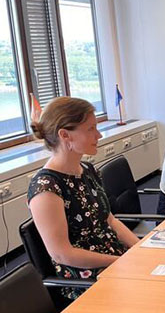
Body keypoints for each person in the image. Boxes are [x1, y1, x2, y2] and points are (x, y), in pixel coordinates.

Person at [27, 97, 139, 300]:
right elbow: (62, 254)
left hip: (115, 259)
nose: (99, 134)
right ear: (65, 135)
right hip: (86, 278)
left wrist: (140, 248)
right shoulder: (46, 188)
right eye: (90, 129)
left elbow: (109, 220)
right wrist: (120, 261)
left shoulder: (87, 169)